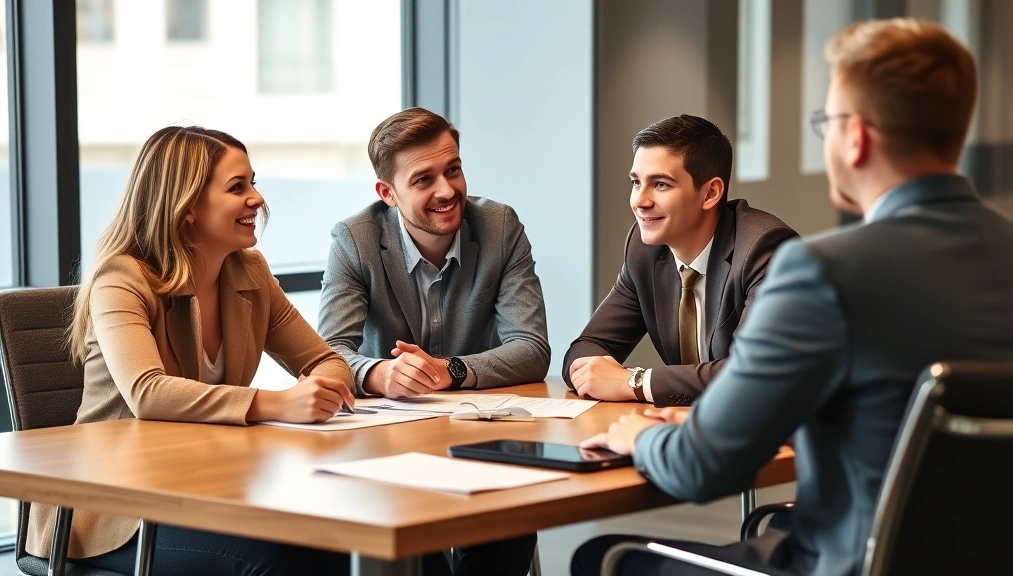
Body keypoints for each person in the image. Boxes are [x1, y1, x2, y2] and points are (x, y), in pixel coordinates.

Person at [573, 18, 1013, 576]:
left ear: (854, 136)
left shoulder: (820, 272)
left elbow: (704, 467)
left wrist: (641, 436)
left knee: (601, 557)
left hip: (845, 564)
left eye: (825, 122)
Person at [27, 126, 355, 576]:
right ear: (187, 209)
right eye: (237, 187)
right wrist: (278, 403)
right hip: (109, 508)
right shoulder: (122, 279)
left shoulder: (249, 272)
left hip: (204, 487)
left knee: (340, 543)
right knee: (274, 561)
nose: (257, 199)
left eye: (253, 183)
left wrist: (325, 390)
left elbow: (327, 360)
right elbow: (148, 392)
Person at [317, 107, 546, 575]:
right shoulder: (354, 240)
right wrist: (379, 373)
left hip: (483, 441)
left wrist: (450, 370)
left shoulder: (499, 227)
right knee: (413, 546)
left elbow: (532, 347)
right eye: (423, 180)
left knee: (504, 529)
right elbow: (328, 354)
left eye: (453, 170)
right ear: (388, 194)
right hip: (390, 448)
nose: (447, 191)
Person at [563, 115, 796, 405]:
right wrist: (598, 375)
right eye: (636, 182)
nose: (640, 201)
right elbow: (586, 350)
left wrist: (633, 382)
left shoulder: (765, 248)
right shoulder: (644, 249)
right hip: (687, 427)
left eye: (660, 185)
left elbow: (753, 373)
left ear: (710, 193)